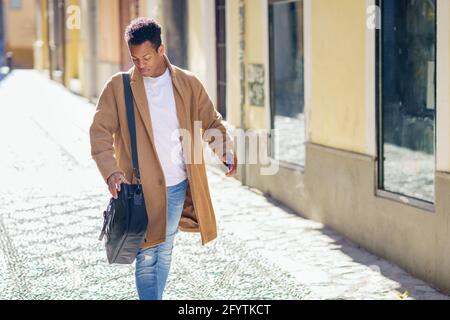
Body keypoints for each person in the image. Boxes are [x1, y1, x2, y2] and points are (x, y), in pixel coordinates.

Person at [89, 17, 237, 300]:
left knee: (164, 249)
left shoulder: (188, 84)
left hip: (177, 186)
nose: (141, 64)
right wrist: (111, 171)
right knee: (146, 255)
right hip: (140, 188)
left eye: (146, 57)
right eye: (135, 58)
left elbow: (211, 121)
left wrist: (226, 151)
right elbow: (99, 132)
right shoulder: (118, 87)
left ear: (161, 50)